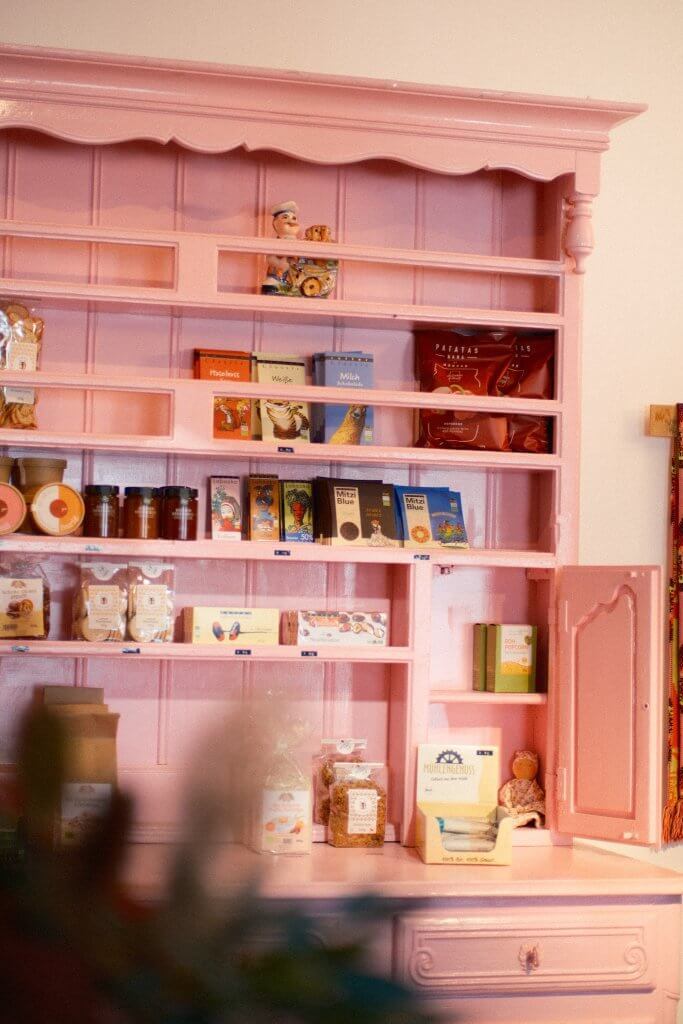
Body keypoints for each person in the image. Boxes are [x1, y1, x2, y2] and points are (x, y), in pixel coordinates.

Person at [261, 200, 301, 294]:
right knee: (272, 282)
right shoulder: (276, 243)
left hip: (294, 278)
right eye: (285, 217)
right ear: (275, 223)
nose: (291, 221)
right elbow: (271, 259)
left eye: (294, 218)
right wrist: (281, 261)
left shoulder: (300, 243)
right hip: (278, 275)